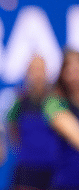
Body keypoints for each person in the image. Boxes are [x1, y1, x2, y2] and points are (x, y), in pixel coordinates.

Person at [7, 55, 61, 190]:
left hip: (52, 168)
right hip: (27, 168)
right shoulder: (20, 101)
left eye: (40, 70)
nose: (37, 75)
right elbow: (12, 127)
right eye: (33, 70)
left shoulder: (54, 100)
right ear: (27, 73)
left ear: (46, 72)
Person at [43, 49, 79, 189]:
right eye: (69, 70)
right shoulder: (53, 103)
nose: (73, 75)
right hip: (67, 181)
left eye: (76, 68)